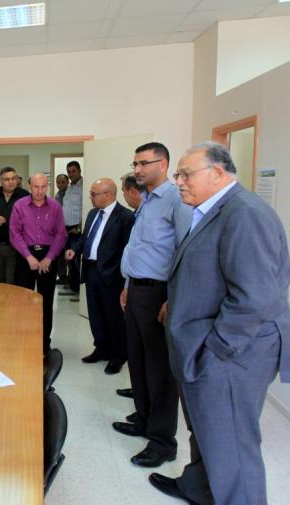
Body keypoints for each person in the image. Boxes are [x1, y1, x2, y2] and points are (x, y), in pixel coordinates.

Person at [149, 143, 290, 505]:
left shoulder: (245, 214)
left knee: (232, 445)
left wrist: (215, 351)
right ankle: (199, 488)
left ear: (218, 173)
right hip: (203, 347)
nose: (180, 182)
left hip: (230, 355)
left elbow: (254, 298)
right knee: (206, 431)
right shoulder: (210, 211)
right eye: (179, 175)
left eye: (186, 174)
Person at [115, 142, 191, 469]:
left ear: (164, 164)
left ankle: (162, 442)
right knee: (139, 359)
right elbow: (139, 247)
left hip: (159, 293)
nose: (137, 170)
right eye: (135, 163)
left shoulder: (177, 200)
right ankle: (143, 419)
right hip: (137, 290)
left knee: (160, 370)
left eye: (144, 163)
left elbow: (186, 252)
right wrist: (128, 285)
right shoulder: (147, 200)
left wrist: (173, 297)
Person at [65, 178, 134, 375]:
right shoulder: (92, 213)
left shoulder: (125, 217)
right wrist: (74, 250)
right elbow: (86, 239)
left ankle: (117, 356)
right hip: (91, 270)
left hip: (112, 275)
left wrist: (122, 276)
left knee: (113, 317)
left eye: (94, 193)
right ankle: (101, 349)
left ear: (108, 195)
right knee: (95, 314)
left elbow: (127, 250)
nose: (90, 196)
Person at [9, 173, 67, 352]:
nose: (40, 191)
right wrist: (29, 256)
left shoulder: (56, 206)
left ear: (47, 186)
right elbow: (14, 233)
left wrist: (49, 257)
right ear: (29, 186)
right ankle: (23, 338)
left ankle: (44, 343)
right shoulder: (19, 205)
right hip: (25, 256)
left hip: (49, 257)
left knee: (46, 301)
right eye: (36, 187)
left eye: (43, 187)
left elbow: (60, 234)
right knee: (23, 301)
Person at [115, 172, 144, 401]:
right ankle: (138, 392)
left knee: (146, 351)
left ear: (133, 192)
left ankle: (144, 398)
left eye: (123, 191)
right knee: (137, 348)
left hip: (150, 290)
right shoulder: (141, 212)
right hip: (133, 284)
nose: (122, 195)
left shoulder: (133, 215)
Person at [61, 161, 83, 301]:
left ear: (79, 171)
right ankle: (73, 287)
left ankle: (80, 292)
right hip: (66, 229)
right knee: (69, 260)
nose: (71, 174)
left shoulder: (83, 187)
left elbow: (84, 206)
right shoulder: (69, 187)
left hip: (77, 229)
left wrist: (80, 226)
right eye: (69, 171)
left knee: (76, 261)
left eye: (73, 171)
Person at [54, 173, 70, 285]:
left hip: (71, 228)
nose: (60, 184)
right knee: (60, 255)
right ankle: (62, 276)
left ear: (67, 182)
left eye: (63, 182)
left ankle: (72, 279)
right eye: (58, 182)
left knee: (70, 255)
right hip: (60, 229)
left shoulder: (71, 194)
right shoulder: (57, 195)